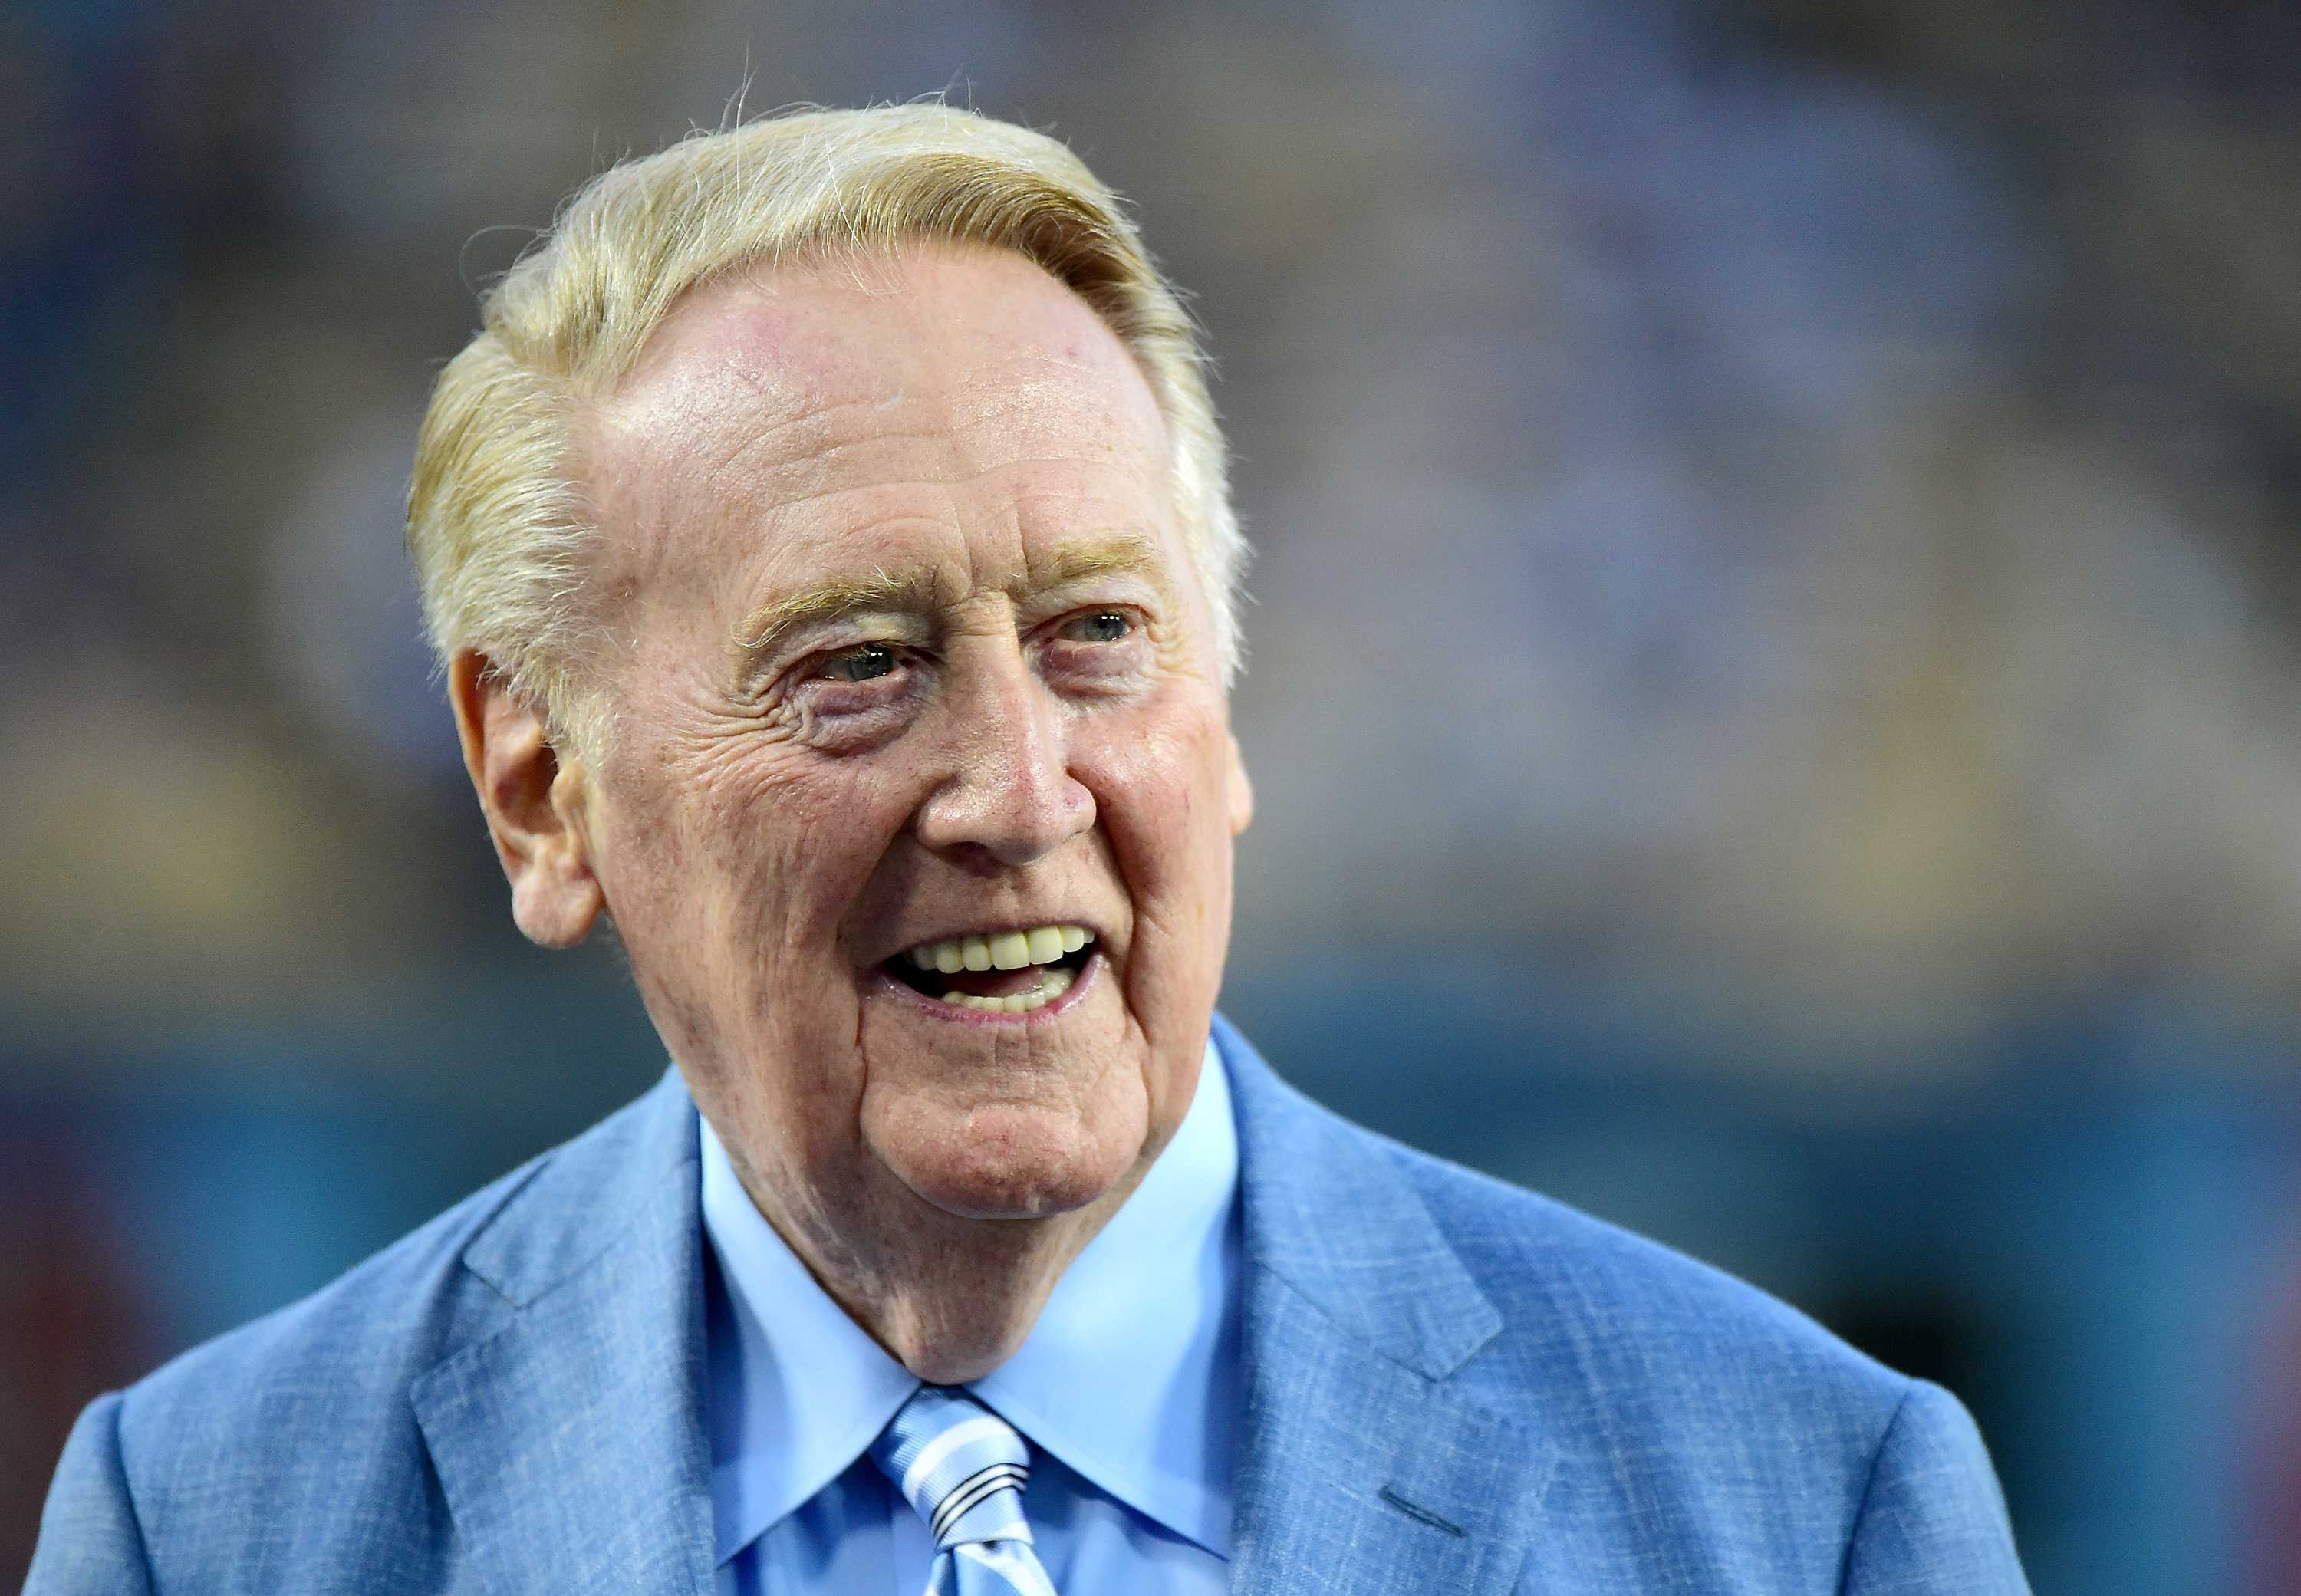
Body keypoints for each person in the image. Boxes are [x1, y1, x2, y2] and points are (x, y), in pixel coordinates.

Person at [27, 105, 2028, 1594]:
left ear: (1221, 719)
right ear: (543, 792)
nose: (1014, 788)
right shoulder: (213, 1523)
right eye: (859, 664)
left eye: (1096, 637)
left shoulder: (1800, 1500)